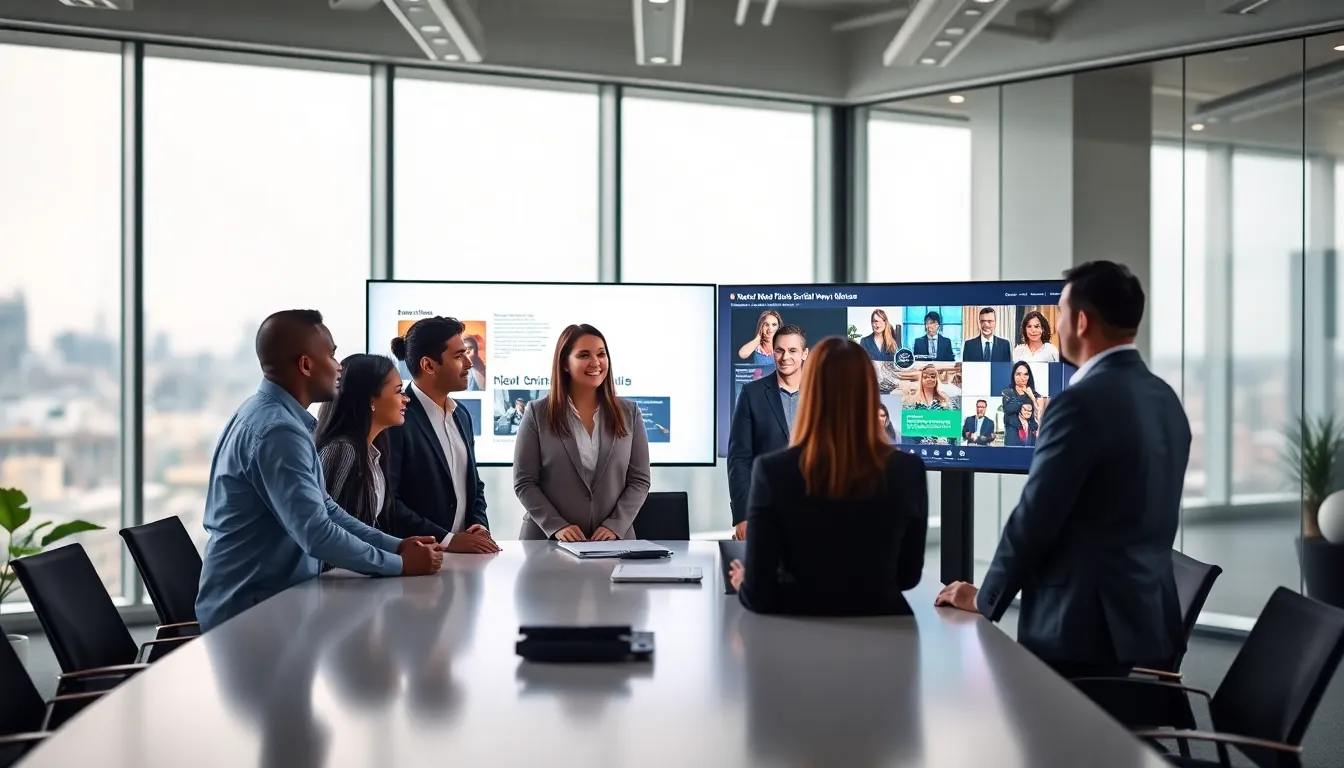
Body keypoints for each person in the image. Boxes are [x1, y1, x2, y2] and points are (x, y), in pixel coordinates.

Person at [936, 261, 1190, 680]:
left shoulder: (1078, 403)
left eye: (1062, 310)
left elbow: (1034, 518)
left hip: (1080, 628)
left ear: (1082, 322)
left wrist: (985, 599)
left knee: (1054, 742)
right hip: (1147, 621)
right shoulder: (1165, 398)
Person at [196, 310, 442, 631]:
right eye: (332, 354)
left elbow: (326, 509)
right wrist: (398, 565)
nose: (339, 366)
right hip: (253, 613)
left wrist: (394, 546)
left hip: (270, 605)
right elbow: (316, 533)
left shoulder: (273, 417)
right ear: (306, 365)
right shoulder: (278, 431)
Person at [728, 337, 928, 615]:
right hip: (887, 635)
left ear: (809, 390)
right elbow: (908, 577)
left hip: (799, 636)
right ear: (870, 391)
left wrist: (744, 584)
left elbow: (760, 594)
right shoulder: (909, 470)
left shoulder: (773, 472)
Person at [513, 324, 650, 541]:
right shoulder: (537, 413)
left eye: (601, 354)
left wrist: (615, 526)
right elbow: (525, 482)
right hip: (547, 541)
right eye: (584, 355)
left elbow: (639, 480)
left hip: (613, 542)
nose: (595, 362)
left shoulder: (629, 413)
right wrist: (557, 526)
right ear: (565, 364)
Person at [386, 316, 499, 554]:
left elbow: (474, 485)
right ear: (428, 365)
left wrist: (480, 527)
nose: (469, 363)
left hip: (466, 560)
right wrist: (447, 539)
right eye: (459, 356)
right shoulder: (396, 418)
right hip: (417, 561)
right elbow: (388, 501)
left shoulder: (462, 415)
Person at [727, 324, 807, 541]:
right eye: (779, 350)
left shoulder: (822, 395)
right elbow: (739, 459)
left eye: (792, 351)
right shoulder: (751, 394)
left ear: (804, 354)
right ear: (772, 352)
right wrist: (742, 516)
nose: (785, 357)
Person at [314, 354, 407, 531]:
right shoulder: (342, 450)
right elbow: (327, 531)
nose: (406, 399)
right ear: (371, 400)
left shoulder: (374, 450)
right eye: (398, 391)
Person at [1001, 361, 1047, 436]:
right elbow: (1009, 408)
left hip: (1030, 438)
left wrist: (1031, 396)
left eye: (1026, 374)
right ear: (1013, 376)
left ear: (1029, 376)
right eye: (1018, 374)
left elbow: (1039, 416)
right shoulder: (1007, 393)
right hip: (1012, 437)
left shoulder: (1034, 395)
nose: (1022, 378)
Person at [737, 310, 782, 374]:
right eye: (766, 325)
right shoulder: (756, 345)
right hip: (759, 382)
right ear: (761, 326)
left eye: (774, 325)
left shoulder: (782, 346)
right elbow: (742, 354)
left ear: (778, 327)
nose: (770, 329)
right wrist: (758, 338)